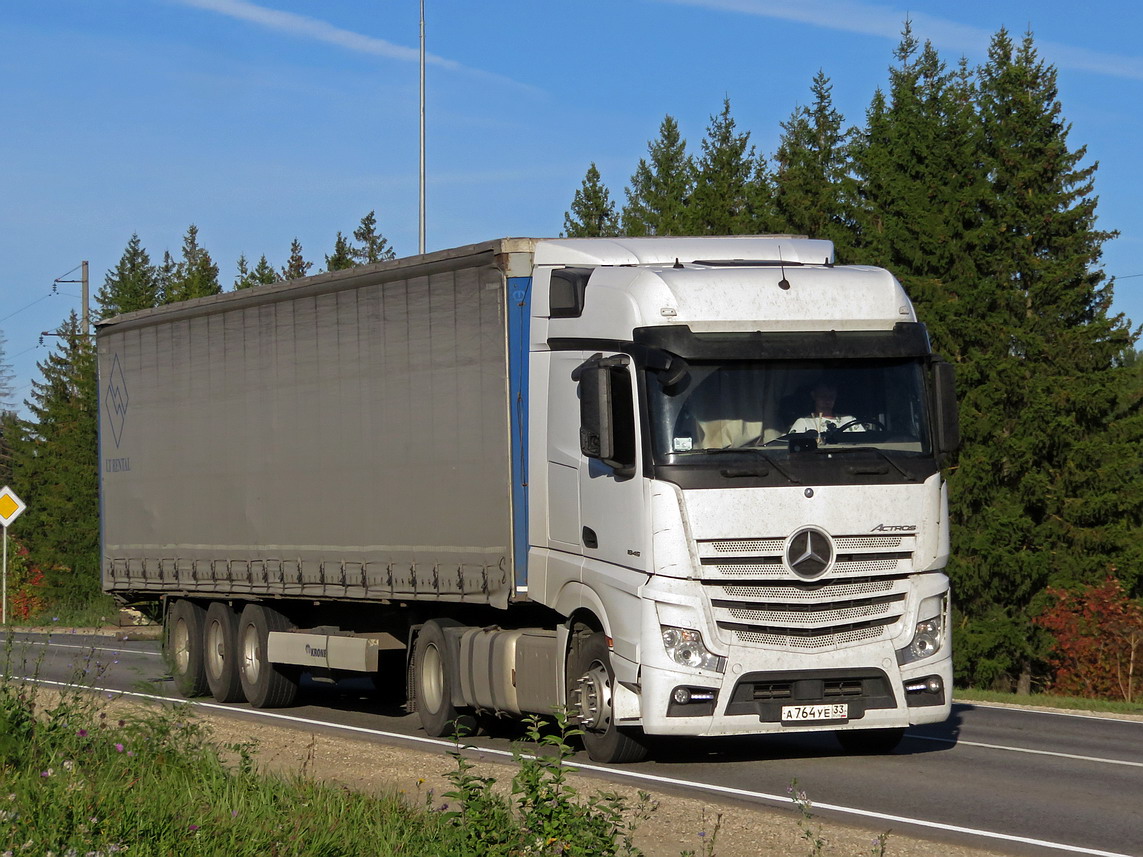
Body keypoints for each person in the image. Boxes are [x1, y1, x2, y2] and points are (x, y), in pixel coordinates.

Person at [788, 380, 858, 438]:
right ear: (814, 396)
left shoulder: (849, 420)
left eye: (831, 396)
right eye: (823, 396)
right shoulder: (804, 423)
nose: (828, 400)